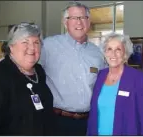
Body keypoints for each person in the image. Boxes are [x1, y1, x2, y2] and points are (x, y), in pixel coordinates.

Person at [39, 2, 106, 136]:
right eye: (74, 18)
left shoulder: (97, 52)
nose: (79, 22)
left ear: (89, 21)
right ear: (65, 22)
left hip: (89, 121)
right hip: (58, 121)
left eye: (83, 17)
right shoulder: (48, 46)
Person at [0, 23, 57, 135]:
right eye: (25, 42)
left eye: (36, 42)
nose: (32, 48)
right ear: (11, 47)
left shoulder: (39, 71)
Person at [87, 33, 143, 135]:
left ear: (125, 54)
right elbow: (94, 113)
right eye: (109, 49)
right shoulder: (101, 75)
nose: (113, 54)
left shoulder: (138, 78)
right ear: (104, 52)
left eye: (118, 49)